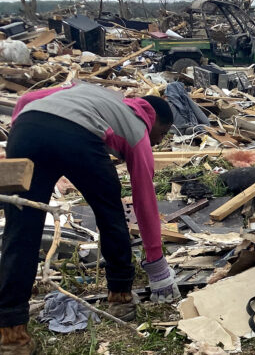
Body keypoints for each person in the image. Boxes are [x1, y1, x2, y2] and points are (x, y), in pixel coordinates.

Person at [0, 82, 180, 354]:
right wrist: (156, 265)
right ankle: (120, 297)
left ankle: (12, 337)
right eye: (163, 133)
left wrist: (23, 137)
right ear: (153, 121)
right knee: (110, 214)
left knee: (21, 229)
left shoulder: (95, 94)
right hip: (77, 136)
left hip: (26, 128)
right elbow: (144, 199)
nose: (160, 141)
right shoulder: (137, 130)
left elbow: (27, 98)